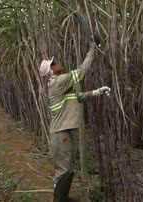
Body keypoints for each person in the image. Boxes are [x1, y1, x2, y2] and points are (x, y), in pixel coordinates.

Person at [39, 43, 110, 202]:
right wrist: (92, 49)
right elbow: (82, 71)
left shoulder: (62, 84)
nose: (57, 62)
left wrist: (97, 91)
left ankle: (62, 197)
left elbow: (78, 97)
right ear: (51, 71)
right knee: (64, 169)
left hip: (65, 130)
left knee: (68, 167)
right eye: (54, 63)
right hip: (61, 132)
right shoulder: (58, 82)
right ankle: (59, 200)